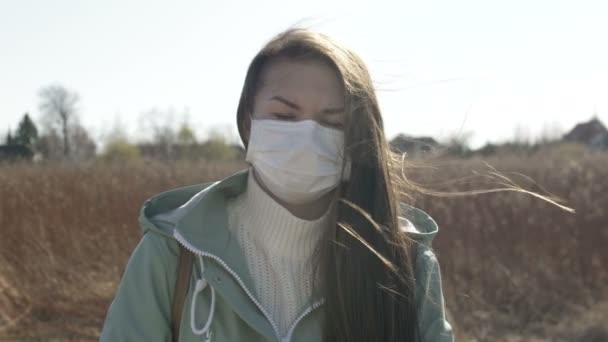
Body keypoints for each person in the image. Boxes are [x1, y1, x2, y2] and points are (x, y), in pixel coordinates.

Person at [100, 28, 454, 342]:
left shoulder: (404, 261)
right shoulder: (174, 251)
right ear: (248, 123)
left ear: (359, 140)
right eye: (285, 116)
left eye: (333, 123)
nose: (308, 137)